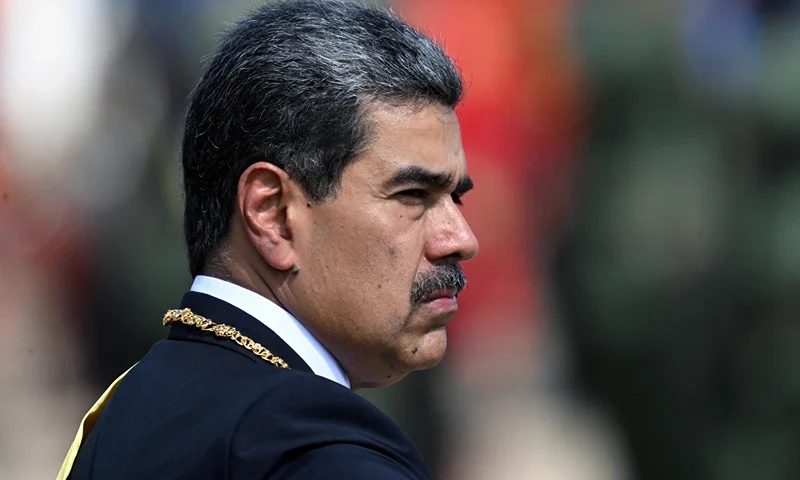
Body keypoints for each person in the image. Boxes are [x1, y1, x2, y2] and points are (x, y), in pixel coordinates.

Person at [57, 1, 479, 479]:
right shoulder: (310, 448)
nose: (460, 239)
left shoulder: (124, 409)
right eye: (413, 195)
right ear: (272, 215)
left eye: (455, 198)